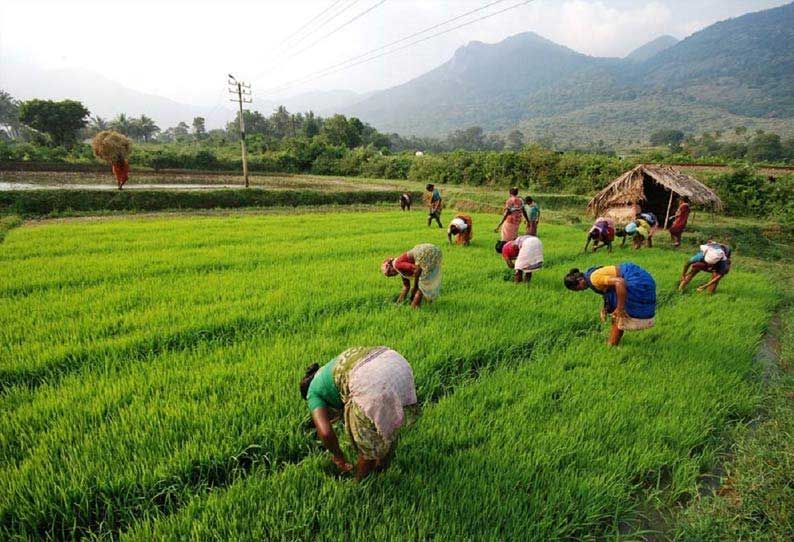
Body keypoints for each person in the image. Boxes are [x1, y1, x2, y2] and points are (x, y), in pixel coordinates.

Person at [300, 346, 420, 480]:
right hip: (396, 363)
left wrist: (338, 457)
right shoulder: (330, 368)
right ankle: (382, 467)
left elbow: (325, 432)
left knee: (366, 447)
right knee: (388, 424)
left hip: (369, 381)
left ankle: (358, 483)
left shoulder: (312, 392)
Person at [564, 263, 656, 346]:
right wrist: (605, 308)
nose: (581, 290)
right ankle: (613, 343)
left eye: (578, 288)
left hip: (636, 280)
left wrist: (620, 308)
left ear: (580, 280)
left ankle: (611, 345)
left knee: (618, 315)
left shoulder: (593, 278)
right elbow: (608, 290)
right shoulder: (590, 274)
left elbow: (619, 282)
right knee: (617, 313)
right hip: (639, 276)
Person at [382, 243, 442, 308]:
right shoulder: (401, 269)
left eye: (390, 272)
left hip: (426, 252)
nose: (392, 275)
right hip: (433, 250)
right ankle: (426, 304)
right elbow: (406, 287)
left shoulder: (397, 264)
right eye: (390, 275)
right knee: (424, 284)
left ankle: (414, 309)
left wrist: (415, 287)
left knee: (421, 286)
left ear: (390, 266)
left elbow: (417, 270)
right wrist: (398, 303)